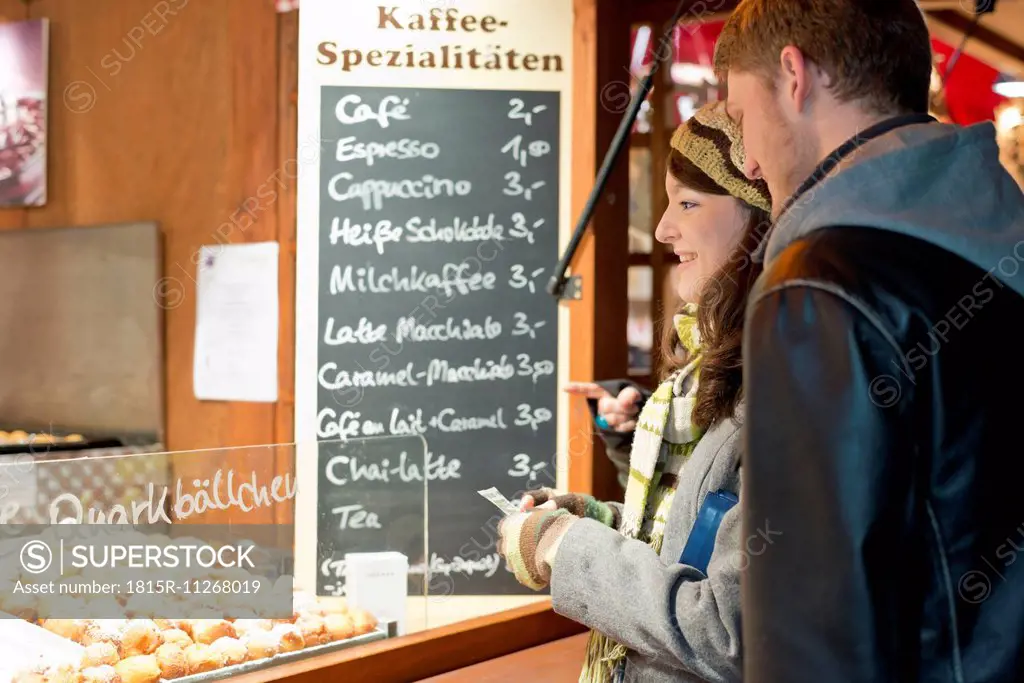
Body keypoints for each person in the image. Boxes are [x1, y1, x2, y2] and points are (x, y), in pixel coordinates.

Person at [712, 1, 1024, 681]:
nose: (754, 167)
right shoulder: (999, 240)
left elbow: (816, 642)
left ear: (794, 75)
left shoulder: (820, 288)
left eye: (740, 121)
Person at [495, 102, 772, 683]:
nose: (663, 228)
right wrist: (595, 519)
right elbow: (696, 542)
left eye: (688, 203)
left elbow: (722, 631)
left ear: (757, 221)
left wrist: (568, 547)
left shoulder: (776, 383)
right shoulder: (715, 362)